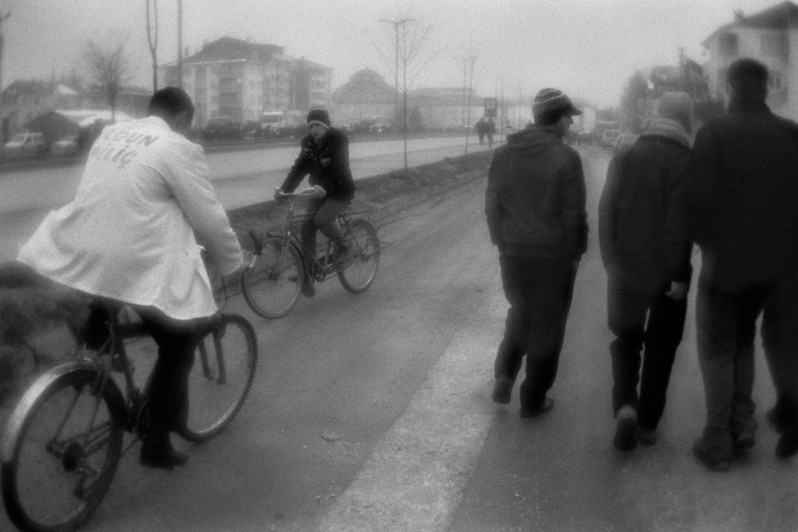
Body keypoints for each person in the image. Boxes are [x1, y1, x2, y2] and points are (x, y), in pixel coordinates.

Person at [16, 87, 244, 470]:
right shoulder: (176, 146)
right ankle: (156, 443)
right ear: (184, 118)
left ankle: (99, 336)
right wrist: (233, 262)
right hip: (132, 260)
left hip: (87, 251)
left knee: (115, 289)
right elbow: (209, 217)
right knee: (179, 344)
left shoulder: (111, 135)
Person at [686, 58, 798, 471]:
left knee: (717, 350)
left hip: (727, 268)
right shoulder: (791, 134)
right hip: (776, 271)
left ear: (731, 88)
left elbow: (696, 203)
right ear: (765, 88)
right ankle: (744, 423)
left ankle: (717, 441)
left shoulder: (714, 133)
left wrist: (708, 243)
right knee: (745, 341)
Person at [598, 92, 694, 451]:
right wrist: (679, 273)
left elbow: (607, 209)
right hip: (666, 273)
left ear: (657, 116)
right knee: (662, 346)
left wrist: (610, 259)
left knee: (627, 339)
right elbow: (679, 223)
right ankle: (648, 423)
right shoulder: (687, 160)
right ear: (686, 121)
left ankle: (625, 405)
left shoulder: (625, 155)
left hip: (625, 266)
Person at [485, 87, 588, 417]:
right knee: (548, 325)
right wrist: (576, 251)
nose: (571, 124)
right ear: (555, 118)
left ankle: (504, 374)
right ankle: (533, 398)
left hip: (514, 254)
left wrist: (501, 242)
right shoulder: (566, 158)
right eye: (568, 117)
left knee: (520, 312)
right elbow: (573, 213)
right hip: (553, 257)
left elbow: (492, 205)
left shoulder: (503, 155)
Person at [275, 106, 355, 297]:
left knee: (322, 219)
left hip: (340, 189)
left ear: (326, 126)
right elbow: (299, 169)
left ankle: (346, 247)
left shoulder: (338, 140)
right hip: (318, 191)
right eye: (311, 126)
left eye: (318, 125)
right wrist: (285, 190)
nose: (314, 130)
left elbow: (339, 168)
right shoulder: (308, 143)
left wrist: (325, 187)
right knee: (306, 227)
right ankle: (308, 274)